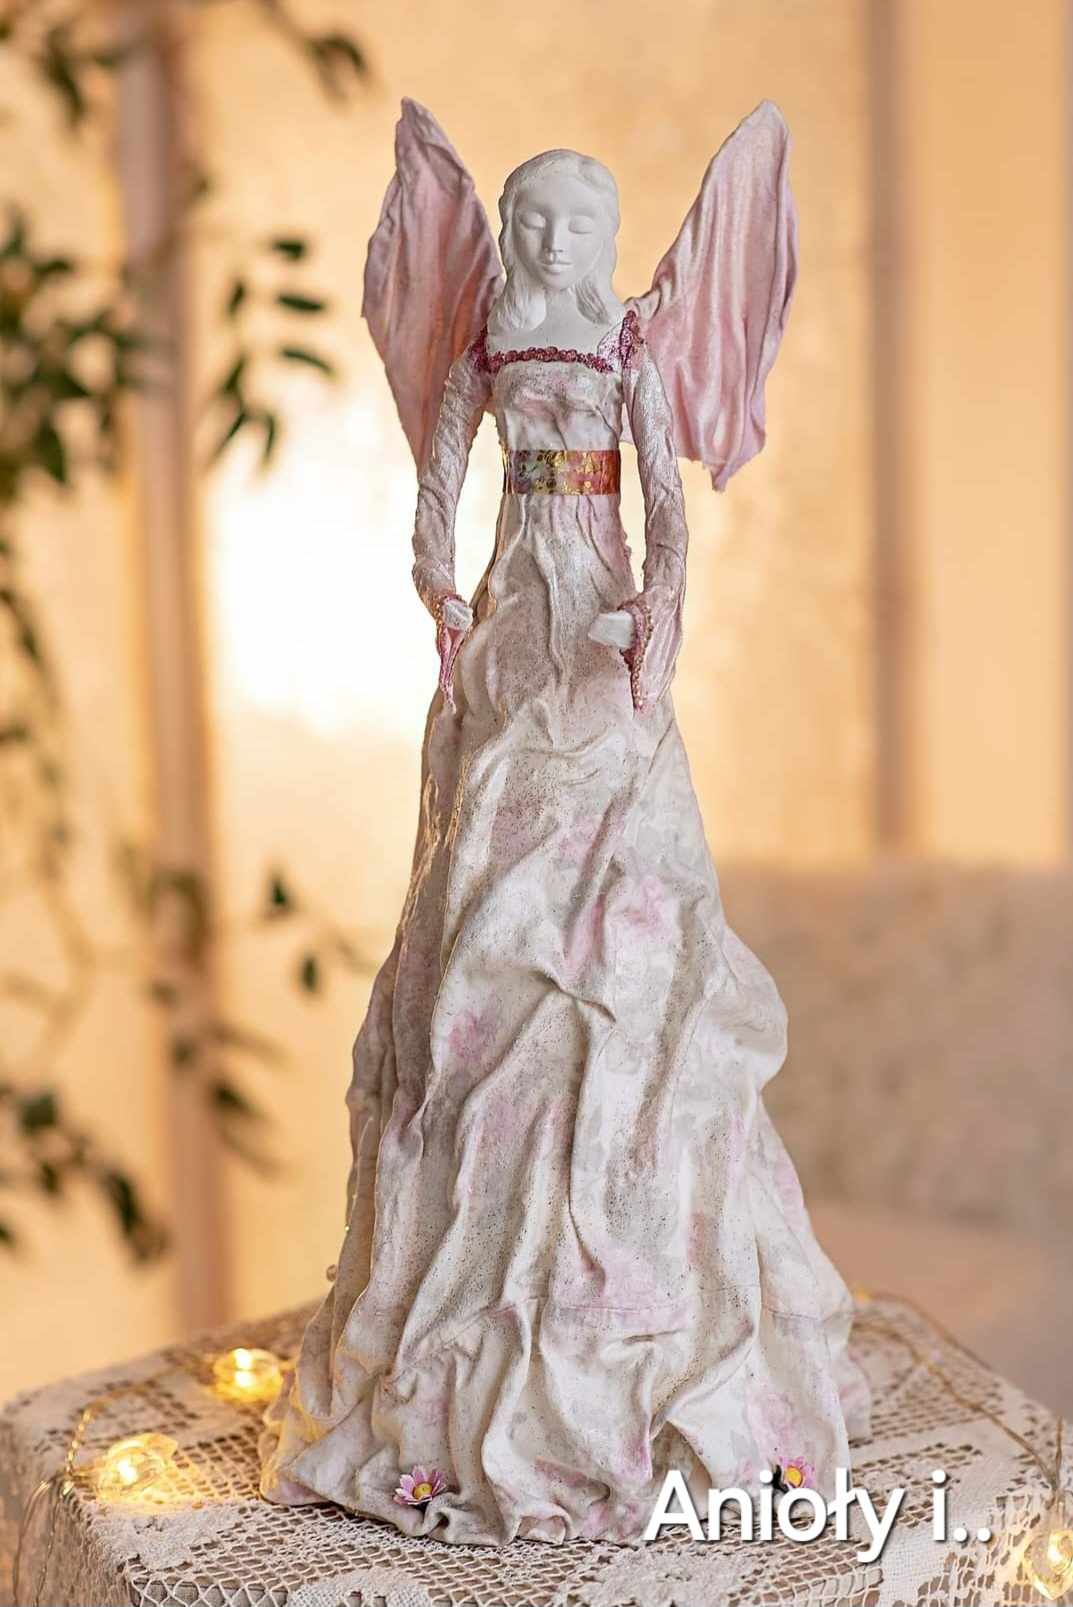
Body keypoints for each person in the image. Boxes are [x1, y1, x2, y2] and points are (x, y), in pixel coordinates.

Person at [258, 100, 872, 1548]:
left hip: (594, 617)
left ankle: (630, 1272)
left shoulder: (628, 347)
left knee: (616, 908)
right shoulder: (485, 341)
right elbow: (440, 469)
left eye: (570, 225)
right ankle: (466, 1290)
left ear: (603, 241)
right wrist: (435, 581)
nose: (545, 242)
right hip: (511, 614)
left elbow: (664, 502)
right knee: (484, 890)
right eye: (528, 221)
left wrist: (657, 615)